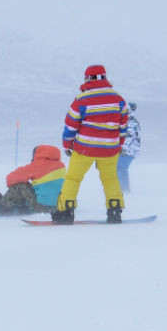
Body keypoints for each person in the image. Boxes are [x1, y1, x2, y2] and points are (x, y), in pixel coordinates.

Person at [52, 64, 130, 223]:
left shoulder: (81, 100)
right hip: (109, 149)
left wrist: (67, 145)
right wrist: (118, 145)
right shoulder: (119, 99)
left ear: (87, 79)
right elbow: (123, 127)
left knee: (73, 178)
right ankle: (114, 210)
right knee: (110, 179)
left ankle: (65, 211)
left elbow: (70, 126)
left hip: (84, 149)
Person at [0, 144, 66, 215]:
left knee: (20, 186)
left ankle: (3, 206)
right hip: (61, 206)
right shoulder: (62, 167)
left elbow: (10, 180)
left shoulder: (35, 166)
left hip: (42, 207)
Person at [115, 102, 142, 192]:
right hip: (128, 150)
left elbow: (128, 137)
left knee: (120, 168)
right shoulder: (129, 121)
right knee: (120, 168)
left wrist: (122, 149)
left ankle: (124, 189)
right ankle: (122, 188)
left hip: (128, 151)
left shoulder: (131, 122)